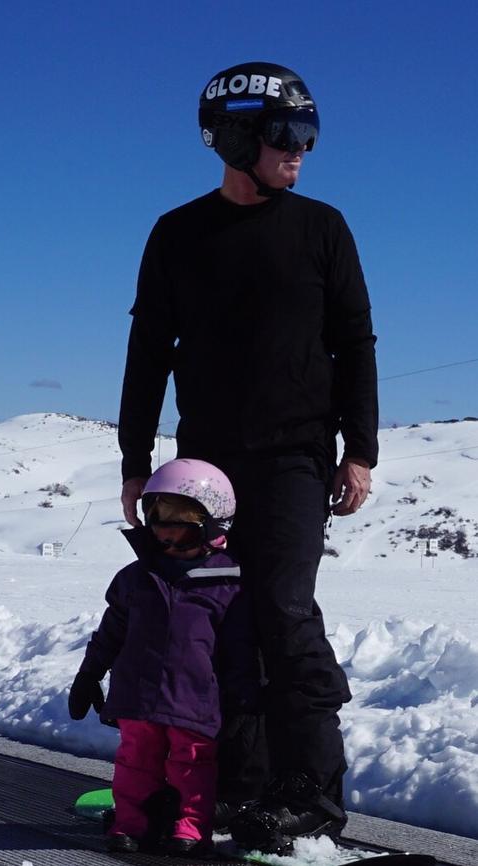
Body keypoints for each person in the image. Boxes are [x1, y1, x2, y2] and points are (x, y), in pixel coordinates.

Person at [117, 62, 378, 854]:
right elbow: (147, 352)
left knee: (283, 609)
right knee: (217, 616)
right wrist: (136, 458)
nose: (300, 152)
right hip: (208, 466)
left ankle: (312, 792)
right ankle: (235, 780)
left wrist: (359, 450)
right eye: (286, 137)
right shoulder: (177, 234)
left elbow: (355, 341)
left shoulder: (322, 228)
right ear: (234, 139)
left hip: (298, 457)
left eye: (309, 137)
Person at [68, 458, 260, 855]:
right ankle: (129, 825)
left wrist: (243, 698)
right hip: (138, 696)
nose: (166, 536)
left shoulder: (229, 583)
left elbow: (238, 648)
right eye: (158, 522)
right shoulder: (135, 579)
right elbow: (110, 632)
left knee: (193, 766)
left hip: (194, 700)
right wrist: (89, 674)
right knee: (135, 763)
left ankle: (190, 829)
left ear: (212, 524)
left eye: (180, 525)